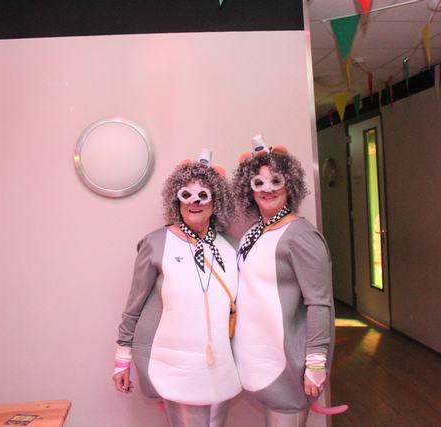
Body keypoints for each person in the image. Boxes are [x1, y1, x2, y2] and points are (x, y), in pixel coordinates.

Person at [112, 150, 241, 427]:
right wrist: (122, 359)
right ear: (176, 198)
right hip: (176, 366)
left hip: (222, 366)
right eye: (187, 194)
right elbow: (133, 307)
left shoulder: (231, 246)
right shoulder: (156, 243)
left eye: (203, 195)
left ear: (216, 201)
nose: (195, 202)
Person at [231, 136, 335, 427]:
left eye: (276, 181)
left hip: (287, 363)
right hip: (256, 359)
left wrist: (316, 362)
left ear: (290, 184)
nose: (268, 189)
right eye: (259, 183)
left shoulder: (301, 236)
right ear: (249, 189)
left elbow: (319, 303)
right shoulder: (253, 233)